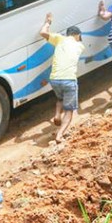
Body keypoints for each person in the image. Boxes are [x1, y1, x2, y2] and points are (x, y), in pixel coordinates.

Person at [39, 13, 84, 143]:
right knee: (69, 110)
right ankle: (59, 135)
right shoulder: (80, 45)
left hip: (54, 79)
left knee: (60, 98)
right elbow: (79, 42)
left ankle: (57, 114)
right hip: (69, 80)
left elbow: (42, 32)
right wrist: (79, 38)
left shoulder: (59, 38)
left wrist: (48, 22)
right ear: (77, 35)